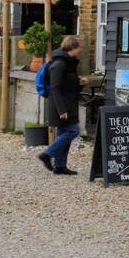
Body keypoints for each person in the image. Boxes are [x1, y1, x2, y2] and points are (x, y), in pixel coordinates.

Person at [39, 35, 84, 175]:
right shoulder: (59, 64)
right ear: (73, 48)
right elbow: (55, 88)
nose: (80, 50)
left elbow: (69, 86)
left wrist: (80, 83)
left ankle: (60, 166)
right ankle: (47, 154)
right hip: (61, 106)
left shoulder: (69, 63)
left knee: (64, 133)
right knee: (73, 131)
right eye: (79, 48)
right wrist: (62, 109)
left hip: (68, 103)